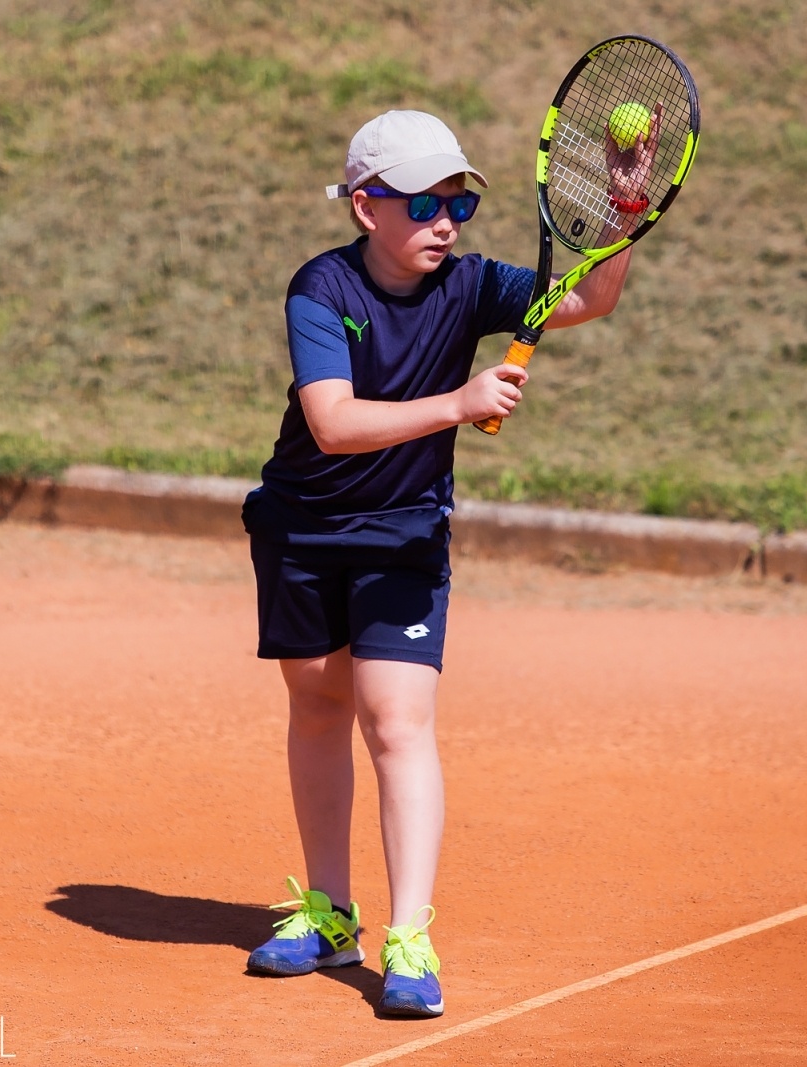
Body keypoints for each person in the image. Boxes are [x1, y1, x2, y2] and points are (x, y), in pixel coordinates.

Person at [241, 108, 656, 1018]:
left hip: (404, 534)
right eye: (422, 203)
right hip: (303, 527)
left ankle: (409, 935)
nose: (445, 221)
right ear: (365, 208)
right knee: (317, 702)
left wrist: (626, 199)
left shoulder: (470, 287)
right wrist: (459, 402)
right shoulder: (321, 290)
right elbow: (334, 423)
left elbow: (589, 299)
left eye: (458, 204)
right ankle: (328, 910)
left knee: (395, 718)